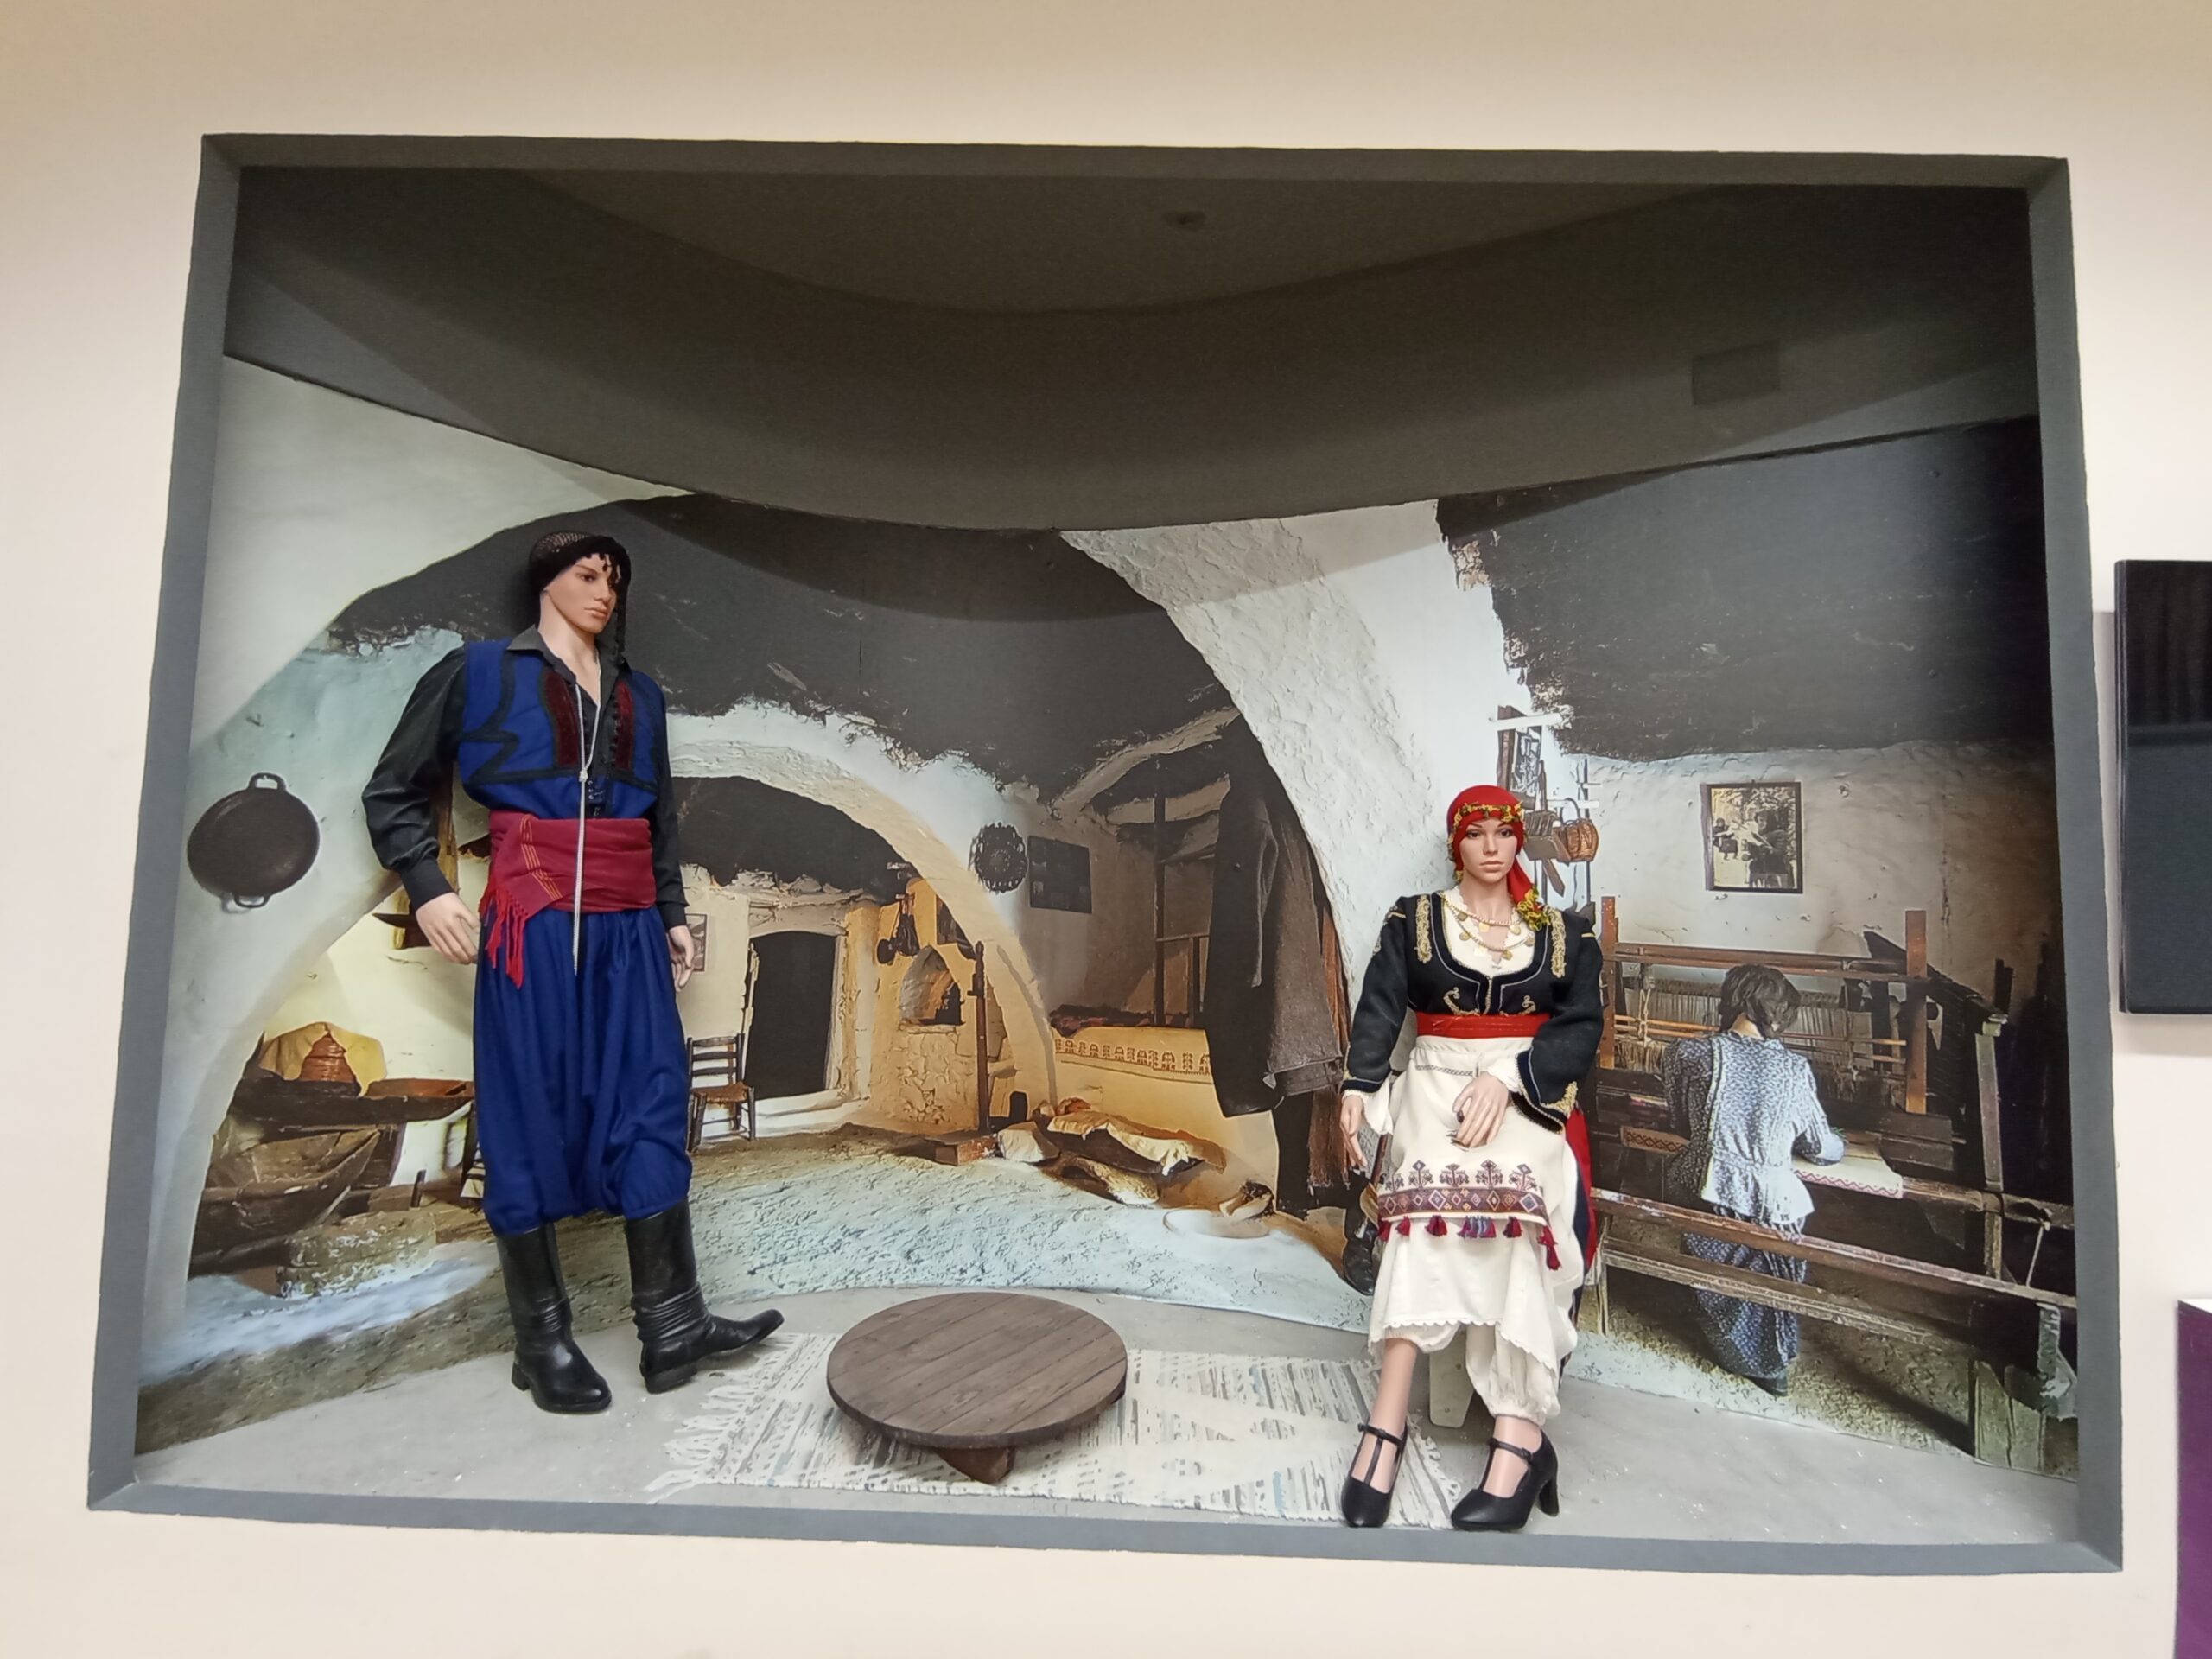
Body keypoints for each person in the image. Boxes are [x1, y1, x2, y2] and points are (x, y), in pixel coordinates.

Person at [364, 529, 781, 1414]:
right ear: (546, 582)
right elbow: (392, 789)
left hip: (631, 926)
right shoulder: (478, 671)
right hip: (533, 921)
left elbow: (661, 820)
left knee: (652, 1098)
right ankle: (541, 1341)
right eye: (588, 574)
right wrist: (428, 888)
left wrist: (672, 913)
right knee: (528, 1104)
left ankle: (674, 1326)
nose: (605, 591)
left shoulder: (641, 695)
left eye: (615, 580)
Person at [1335, 785, 1603, 1532]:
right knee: (1418, 1206)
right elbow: (1381, 1007)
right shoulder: (1415, 920)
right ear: (1456, 843)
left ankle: (1519, 1438)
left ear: (1518, 841)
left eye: (1503, 833)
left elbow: (1580, 1028)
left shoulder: (1564, 933)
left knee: (1521, 1210)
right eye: (1476, 833)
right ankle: (1386, 1423)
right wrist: (1358, 1084)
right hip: (1434, 1084)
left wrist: (1510, 1076)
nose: (1491, 846)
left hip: (1524, 1094)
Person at [1661, 963, 1845, 1395]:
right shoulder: (1794, 1069)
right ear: (1775, 1015)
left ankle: (1738, 1350)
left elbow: (1681, 1124)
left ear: (1732, 1002)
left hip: (1709, 1194)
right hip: (1776, 1208)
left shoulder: (1689, 1055)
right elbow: (1821, 1148)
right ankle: (1771, 1363)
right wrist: (1842, 1143)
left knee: (1682, 1187)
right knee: (1769, 1271)